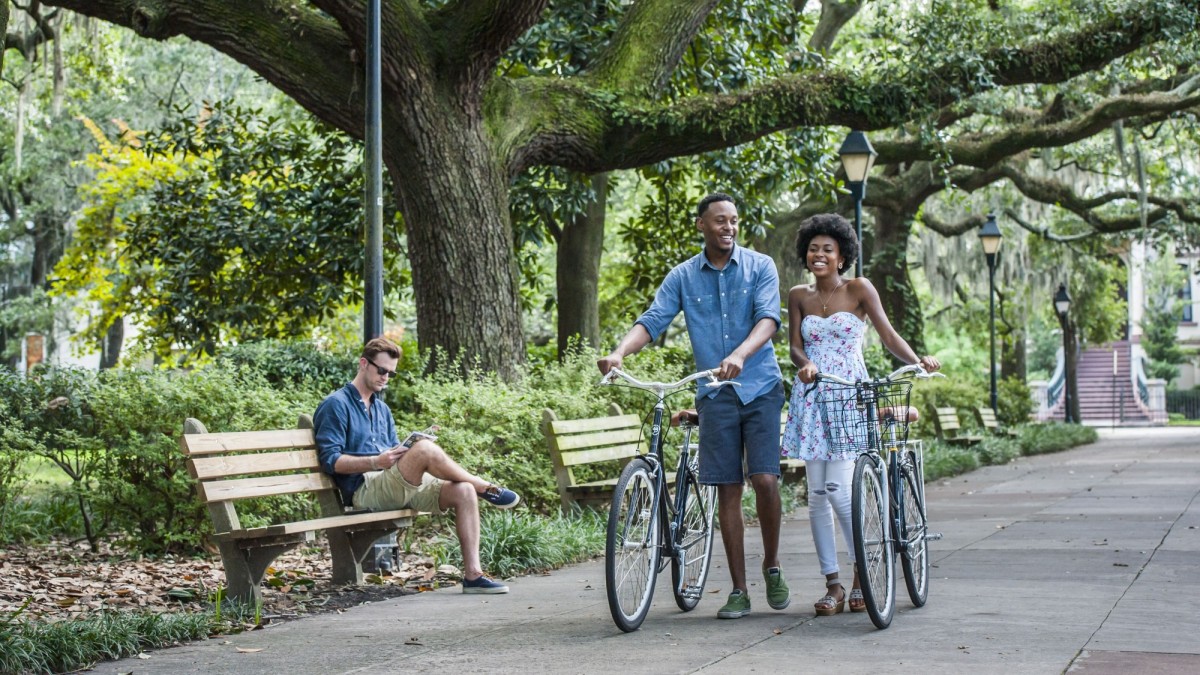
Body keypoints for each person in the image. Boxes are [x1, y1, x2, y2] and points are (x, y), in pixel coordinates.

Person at [597, 192, 789, 619]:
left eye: (734, 220)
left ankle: (772, 564)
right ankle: (738, 589)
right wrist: (619, 353)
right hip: (714, 392)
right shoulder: (683, 276)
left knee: (764, 479)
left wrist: (740, 355)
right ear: (701, 225)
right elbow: (653, 319)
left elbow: (769, 319)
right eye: (719, 220)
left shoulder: (760, 266)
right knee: (727, 487)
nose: (729, 227)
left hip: (759, 386)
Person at [780, 213, 940, 616]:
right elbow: (795, 346)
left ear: (841, 255)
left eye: (827, 249)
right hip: (814, 394)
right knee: (816, 495)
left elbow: (887, 334)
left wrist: (917, 360)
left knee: (838, 489)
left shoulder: (859, 288)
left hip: (850, 393)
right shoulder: (799, 295)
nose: (819, 255)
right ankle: (833, 583)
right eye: (813, 249)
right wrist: (804, 364)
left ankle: (864, 569)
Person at [314, 337, 521, 594]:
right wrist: (376, 461)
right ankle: (484, 486)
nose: (386, 377)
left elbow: (393, 454)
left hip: (390, 482)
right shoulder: (336, 405)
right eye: (382, 370)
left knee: (463, 490)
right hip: (362, 490)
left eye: (391, 373)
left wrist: (407, 449)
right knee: (426, 453)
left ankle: (473, 575)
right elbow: (330, 461)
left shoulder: (382, 409)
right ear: (364, 364)